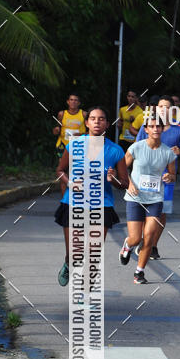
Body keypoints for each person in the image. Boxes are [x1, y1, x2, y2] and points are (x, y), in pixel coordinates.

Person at [54, 106, 128, 286]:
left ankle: (84, 291)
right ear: (87, 123)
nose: (97, 122)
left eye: (101, 119)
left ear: (107, 124)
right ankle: (68, 263)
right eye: (93, 118)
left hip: (101, 204)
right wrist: (71, 183)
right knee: (75, 253)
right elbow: (60, 170)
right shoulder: (74, 144)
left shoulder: (116, 150)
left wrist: (113, 180)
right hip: (74, 203)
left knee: (93, 251)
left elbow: (124, 183)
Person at [118, 115, 176, 284]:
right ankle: (127, 246)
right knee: (135, 238)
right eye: (152, 126)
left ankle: (139, 272)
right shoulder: (136, 148)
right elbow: (121, 168)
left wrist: (169, 177)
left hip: (155, 199)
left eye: (159, 126)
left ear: (163, 129)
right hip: (135, 198)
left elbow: (173, 175)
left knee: (149, 235)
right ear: (146, 130)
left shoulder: (168, 152)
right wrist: (128, 183)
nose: (156, 129)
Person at [134, 96, 180, 259]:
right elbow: (136, 149)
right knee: (146, 211)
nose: (163, 110)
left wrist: (179, 152)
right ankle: (145, 241)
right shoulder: (147, 126)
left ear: (172, 110)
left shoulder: (179, 128)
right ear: (155, 109)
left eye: (167, 107)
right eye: (160, 107)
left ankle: (152, 245)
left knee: (161, 212)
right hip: (146, 176)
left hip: (166, 178)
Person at [53, 94, 88, 194]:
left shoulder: (84, 114)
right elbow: (57, 130)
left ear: (79, 103)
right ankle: (65, 198)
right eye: (71, 100)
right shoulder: (62, 114)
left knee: (77, 173)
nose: (73, 102)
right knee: (62, 171)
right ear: (68, 101)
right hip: (63, 145)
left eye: (76, 100)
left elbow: (91, 132)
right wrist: (55, 130)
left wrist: (80, 134)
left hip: (79, 146)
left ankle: (77, 195)